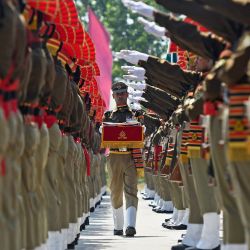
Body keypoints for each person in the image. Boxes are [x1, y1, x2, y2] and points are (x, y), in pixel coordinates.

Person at [103, 81, 139, 237]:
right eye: (117, 94)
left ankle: (130, 226)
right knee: (116, 191)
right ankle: (118, 226)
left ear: (127, 94)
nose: (120, 96)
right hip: (115, 156)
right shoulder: (108, 116)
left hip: (131, 155)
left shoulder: (136, 114)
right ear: (113, 96)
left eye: (122, 93)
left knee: (131, 191)